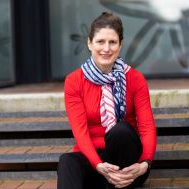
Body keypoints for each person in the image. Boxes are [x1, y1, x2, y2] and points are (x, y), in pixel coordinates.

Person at [57, 12, 156, 189]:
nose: (106, 48)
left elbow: (147, 126)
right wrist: (97, 165)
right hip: (94, 161)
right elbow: (80, 131)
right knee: (66, 162)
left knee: (121, 131)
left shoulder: (135, 79)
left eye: (112, 42)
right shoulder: (74, 81)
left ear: (120, 45)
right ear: (89, 43)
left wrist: (144, 164)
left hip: (128, 165)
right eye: (100, 41)